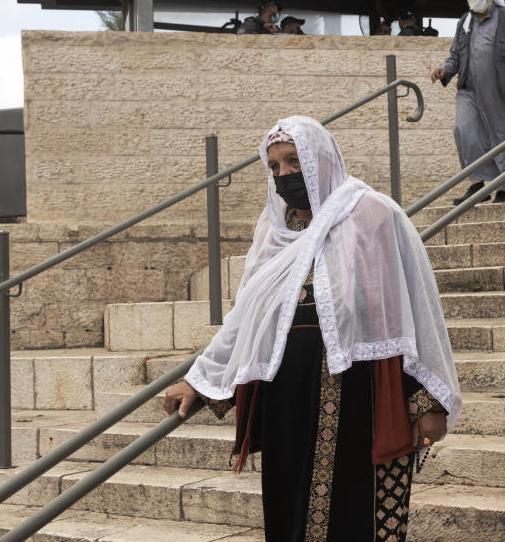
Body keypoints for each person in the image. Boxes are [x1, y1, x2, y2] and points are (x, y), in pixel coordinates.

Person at [163, 117, 461, 541]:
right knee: (289, 511)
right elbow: (246, 318)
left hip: (361, 397)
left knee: (355, 515)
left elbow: (412, 310)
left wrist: (427, 402)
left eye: (292, 161)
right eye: (274, 167)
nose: (284, 174)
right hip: (287, 399)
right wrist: (198, 380)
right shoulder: (273, 230)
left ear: (318, 159)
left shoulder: (374, 214)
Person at [431, 0, 505, 204]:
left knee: (502, 136)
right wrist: (444, 70)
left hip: (500, 88)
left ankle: (504, 188)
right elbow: (455, 56)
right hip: (469, 89)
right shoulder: (465, 22)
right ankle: (477, 185)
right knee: (464, 130)